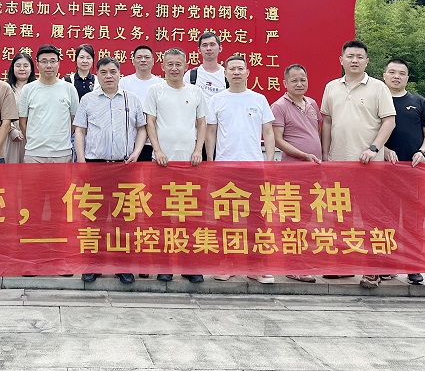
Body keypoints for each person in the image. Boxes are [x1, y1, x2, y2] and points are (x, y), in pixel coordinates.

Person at [319, 39, 396, 288]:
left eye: (359, 57)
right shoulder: (331, 87)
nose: (354, 60)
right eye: (350, 56)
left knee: (370, 217)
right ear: (341, 60)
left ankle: (373, 268)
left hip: (369, 164)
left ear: (367, 61)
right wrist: (325, 154)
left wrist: (374, 148)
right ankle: (342, 265)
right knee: (340, 216)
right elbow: (327, 121)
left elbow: (389, 121)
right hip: (338, 162)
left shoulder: (378, 88)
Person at [74, 56, 148, 285]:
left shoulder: (131, 99)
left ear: (119, 74)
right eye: (104, 72)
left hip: (123, 166)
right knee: (93, 217)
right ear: (97, 75)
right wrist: (81, 161)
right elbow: (80, 131)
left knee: (123, 218)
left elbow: (142, 128)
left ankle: (122, 265)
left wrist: (136, 152)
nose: (108, 76)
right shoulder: (87, 100)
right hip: (95, 165)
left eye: (113, 72)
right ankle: (92, 265)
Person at [205, 55, 276, 284]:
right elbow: (211, 132)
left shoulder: (259, 99)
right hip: (225, 166)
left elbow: (268, 132)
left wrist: (269, 161)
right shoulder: (217, 100)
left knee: (257, 217)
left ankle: (257, 266)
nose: (236, 72)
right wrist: (211, 160)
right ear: (225, 73)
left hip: (254, 166)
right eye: (232, 69)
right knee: (225, 218)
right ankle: (226, 263)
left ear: (247, 73)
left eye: (240, 69)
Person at [144, 47, 206, 284]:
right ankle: (164, 265)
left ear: (186, 65)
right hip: (162, 163)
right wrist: (158, 150)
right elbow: (150, 122)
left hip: (190, 163)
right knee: (162, 216)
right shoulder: (155, 90)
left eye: (178, 64)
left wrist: (198, 150)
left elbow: (202, 123)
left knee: (189, 216)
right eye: (169, 64)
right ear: (162, 66)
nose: (174, 68)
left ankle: (189, 266)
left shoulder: (196, 91)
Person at [384, 57, 425, 285]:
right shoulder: (377, 99)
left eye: (401, 73)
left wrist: (423, 152)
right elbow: (366, 132)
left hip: (414, 171)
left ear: (407, 77)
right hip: (383, 172)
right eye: (392, 72)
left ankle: (413, 266)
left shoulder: (418, 101)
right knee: (385, 219)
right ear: (384, 75)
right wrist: (383, 149)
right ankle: (386, 265)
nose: (396, 76)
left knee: (413, 221)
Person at [269, 63, 322, 283]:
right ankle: (292, 265)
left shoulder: (312, 103)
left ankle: (301, 260)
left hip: (313, 170)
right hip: (292, 170)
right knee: (292, 217)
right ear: (285, 83)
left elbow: (316, 132)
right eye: (294, 80)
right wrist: (303, 154)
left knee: (308, 217)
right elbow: (278, 140)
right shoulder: (279, 106)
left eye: (303, 80)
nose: (299, 84)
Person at [19, 44, 79, 163]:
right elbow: (22, 122)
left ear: (58, 63)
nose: (49, 65)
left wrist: (62, 139)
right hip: (34, 154)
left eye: (52, 61)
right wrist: (34, 140)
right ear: (37, 64)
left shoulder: (69, 89)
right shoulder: (28, 89)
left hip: (62, 153)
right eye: (44, 61)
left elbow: (74, 121)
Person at [120, 44, 161, 162]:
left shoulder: (161, 84)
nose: (143, 60)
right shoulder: (123, 83)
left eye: (147, 57)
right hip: (129, 141)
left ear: (153, 61)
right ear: (133, 61)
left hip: (153, 143)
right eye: (139, 57)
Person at [4, 52, 36, 163]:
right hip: (10, 136)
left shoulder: (37, 89)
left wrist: (27, 132)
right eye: (18, 66)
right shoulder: (5, 88)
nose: (22, 69)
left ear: (31, 69)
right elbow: (1, 113)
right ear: (12, 68)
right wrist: (12, 131)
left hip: (33, 137)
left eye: (26, 66)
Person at [183, 31, 226, 99]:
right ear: (199, 50)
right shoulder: (190, 75)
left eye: (212, 45)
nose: (208, 48)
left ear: (220, 48)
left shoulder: (227, 75)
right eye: (205, 45)